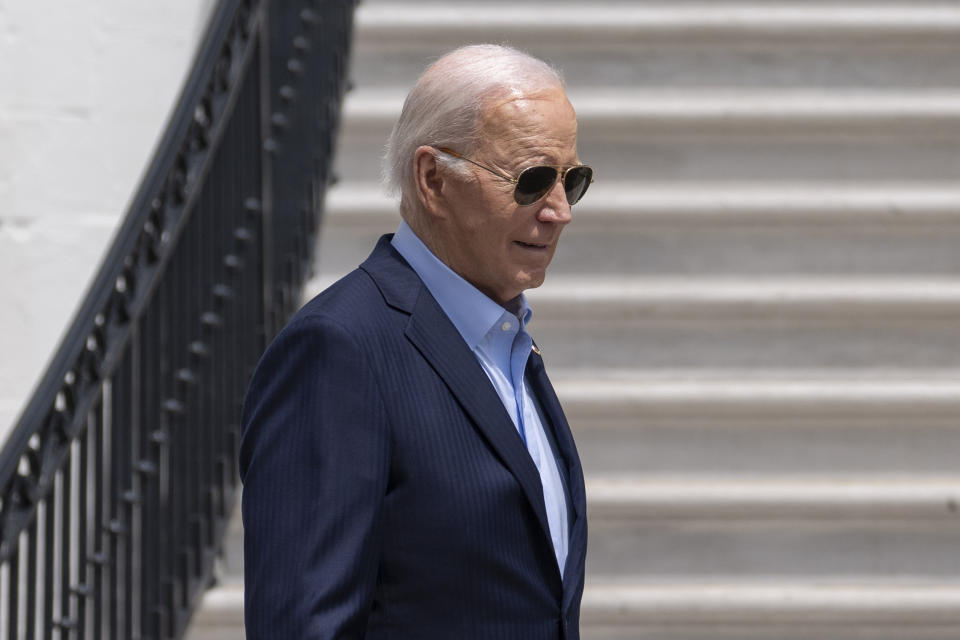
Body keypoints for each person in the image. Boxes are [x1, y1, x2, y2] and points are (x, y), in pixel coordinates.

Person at [239, 44, 592, 639]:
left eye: (572, 180)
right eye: (532, 181)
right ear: (433, 179)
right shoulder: (339, 350)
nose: (559, 211)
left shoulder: (506, 342)